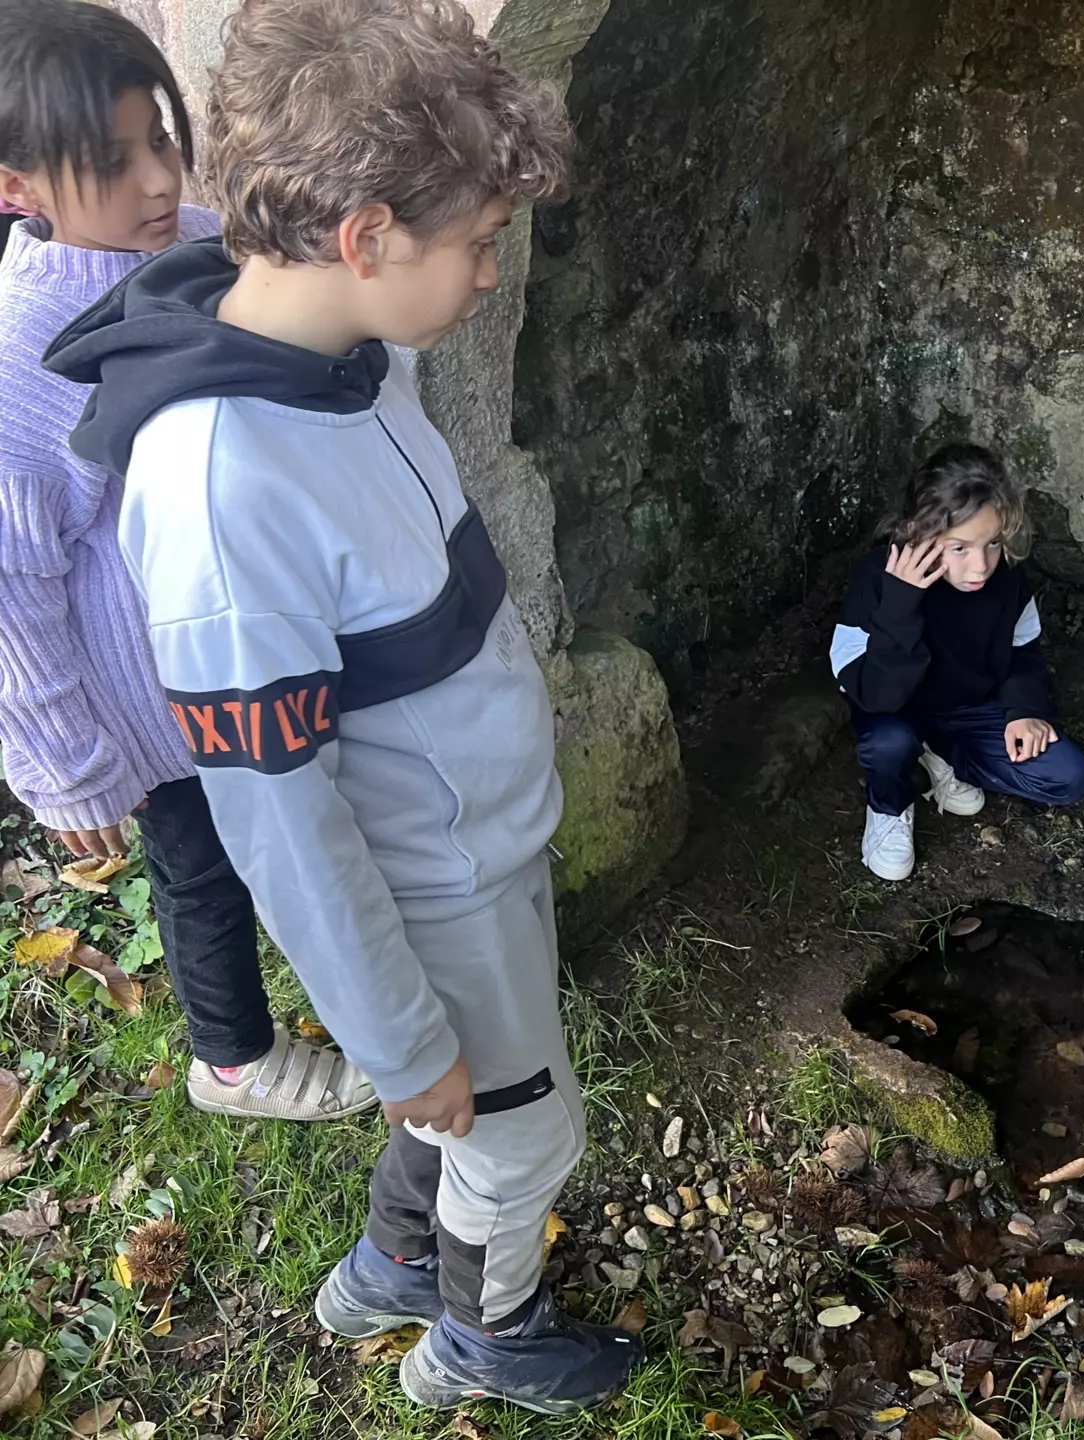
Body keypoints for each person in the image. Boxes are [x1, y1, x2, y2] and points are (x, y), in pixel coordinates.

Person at [42, 0, 643, 1413]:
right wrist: (394, 1036)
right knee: (522, 1133)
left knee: (477, 1098)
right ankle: (484, 1341)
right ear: (365, 239)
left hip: (475, 832)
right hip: (431, 873)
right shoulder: (223, 488)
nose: (490, 274)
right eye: (481, 243)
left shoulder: (335, 342)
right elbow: (278, 814)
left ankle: (389, 1264)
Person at [0, 0, 372, 1123]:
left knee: (305, 823)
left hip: (257, 632)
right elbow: (13, 589)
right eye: (114, 163)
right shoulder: (24, 361)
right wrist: (67, 767)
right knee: (201, 869)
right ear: (17, 186)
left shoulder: (199, 240)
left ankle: (357, 986)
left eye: (162, 138)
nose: (160, 180)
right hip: (156, 701)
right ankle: (233, 1056)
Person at [832, 443, 1084, 881]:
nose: (981, 566)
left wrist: (1025, 710)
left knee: (1069, 778)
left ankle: (943, 754)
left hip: (971, 707)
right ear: (919, 531)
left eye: (992, 543)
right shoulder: (879, 578)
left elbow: (1023, 651)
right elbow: (872, 694)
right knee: (889, 744)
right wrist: (901, 602)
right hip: (896, 710)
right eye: (959, 548)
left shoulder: (1005, 576)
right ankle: (891, 804)